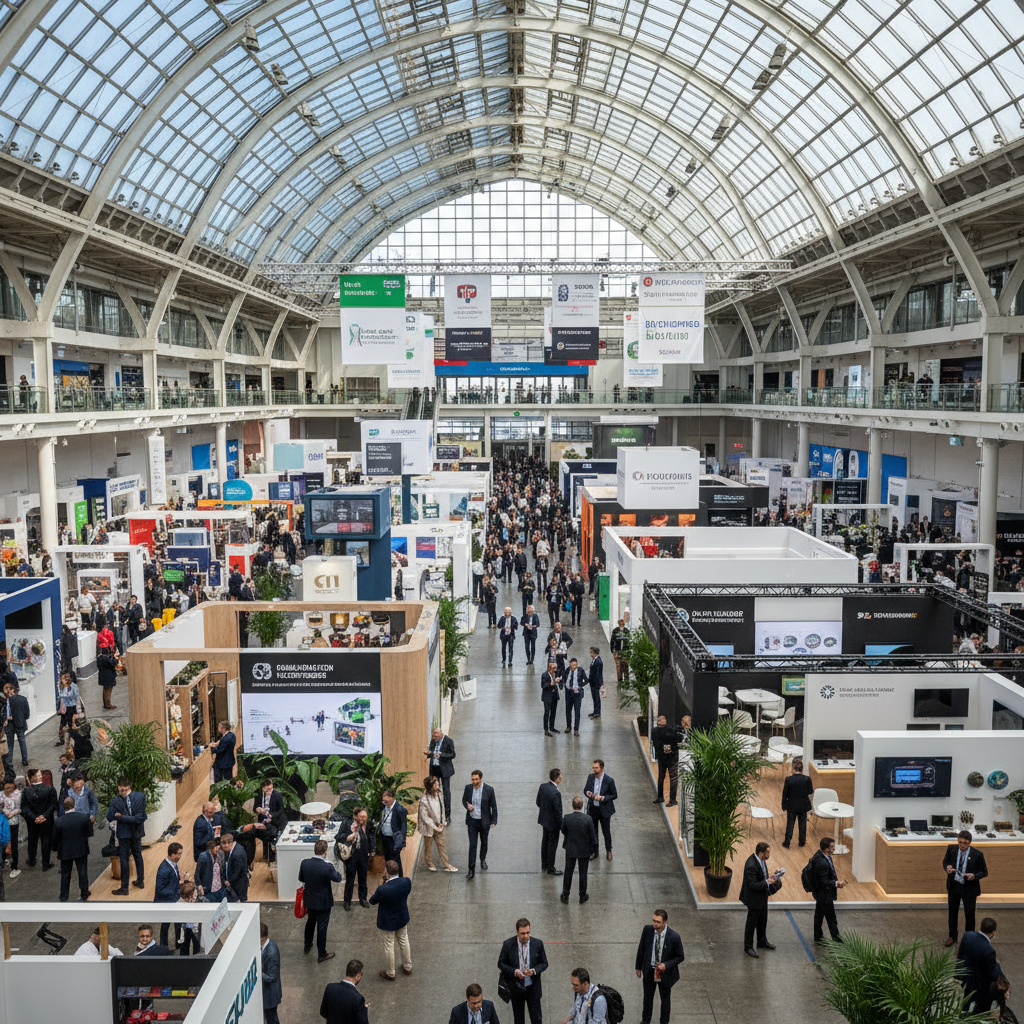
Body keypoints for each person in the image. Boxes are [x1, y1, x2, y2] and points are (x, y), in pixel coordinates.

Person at [634, 909, 685, 1024]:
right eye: (654, 920)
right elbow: (642, 948)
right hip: (649, 971)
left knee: (665, 1000)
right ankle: (645, 1021)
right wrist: (638, 966)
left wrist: (666, 965)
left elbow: (680, 956)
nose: (655, 924)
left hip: (665, 974)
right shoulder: (647, 930)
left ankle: (664, 1022)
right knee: (647, 999)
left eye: (658, 922)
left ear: (665, 922)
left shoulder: (674, 937)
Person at [299, 838, 344, 962]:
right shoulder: (327, 866)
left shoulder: (305, 863)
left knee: (310, 922)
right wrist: (333, 867)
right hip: (324, 902)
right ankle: (321, 953)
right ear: (325, 851)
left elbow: (301, 878)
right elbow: (338, 878)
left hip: (310, 899)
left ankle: (307, 945)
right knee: (322, 927)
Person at [498, 918, 548, 1024]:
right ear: (517, 932)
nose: (525, 936)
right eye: (522, 933)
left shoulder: (538, 944)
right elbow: (500, 963)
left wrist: (534, 970)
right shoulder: (508, 944)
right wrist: (514, 971)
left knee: (537, 1018)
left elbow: (544, 963)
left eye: (528, 932)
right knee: (518, 1019)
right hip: (516, 988)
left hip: (533, 988)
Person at [943, 829, 988, 946]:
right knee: (952, 913)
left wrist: (974, 876)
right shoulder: (951, 849)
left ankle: (969, 939)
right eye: (960, 842)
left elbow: (984, 872)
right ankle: (952, 936)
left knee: (970, 914)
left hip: (969, 889)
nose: (962, 845)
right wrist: (947, 868)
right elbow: (945, 862)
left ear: (970, 843)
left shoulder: (977, 854)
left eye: (965, 843)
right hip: (954, 886)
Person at [370, 859, 413, 980]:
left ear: (386, 872)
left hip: (387, 921)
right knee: (404, 940)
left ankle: (390, 972)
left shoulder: (383, 889)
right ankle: (407, 966)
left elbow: (372, 901)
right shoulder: (406, 881)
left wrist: (384, 883)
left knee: (389, 945)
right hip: (401, 916)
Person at [739, 841, 783, 957]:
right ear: (761, 853)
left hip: (762, 896)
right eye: (767, 853)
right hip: (754, 898)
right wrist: (767, 882)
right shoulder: (751, 865)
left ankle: (762, 941)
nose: (769, 855)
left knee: (763, 920)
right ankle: (748, 946)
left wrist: (771, 878)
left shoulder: (761, 861)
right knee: (752, 923)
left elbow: (762, 876)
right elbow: (752, 884)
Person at [107, 777, 146, 894]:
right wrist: (131, 818)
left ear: (129, 787)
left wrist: (121, 817)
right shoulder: (115, 800)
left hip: (132, 832)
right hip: (126, 834)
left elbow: (139, 818)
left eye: (125, 790)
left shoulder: (140, 797)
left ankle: (137, 882)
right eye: (120, 790)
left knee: (136, 855)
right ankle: (127, 886)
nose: (122, 793)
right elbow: (109, 816)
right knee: (126, 858)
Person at [50, 795, 92, 901]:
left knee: (65, 874)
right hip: (81, 849)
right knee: (82, 872)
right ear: (74, 805)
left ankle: (64, 897)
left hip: (65, 851)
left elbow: (54, 838)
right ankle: (84, 894)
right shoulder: (84, 818)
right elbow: (90, 833)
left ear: (64, 807)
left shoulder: (58, 821)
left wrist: (55, 849)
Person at [417, 775, 458, 872]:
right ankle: (429, 863)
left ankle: (447, 864)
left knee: (442, 845)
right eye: (435, 783)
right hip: (429, 827)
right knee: (428, 846)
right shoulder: (424, 800)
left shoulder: (440, 794)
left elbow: (442, 808)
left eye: (437, 782)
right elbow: (425, 818)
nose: (437, 784)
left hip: (439, 825)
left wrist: (443, 821)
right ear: (430, 786)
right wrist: (435, 826)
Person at [560, 796, 596, 905]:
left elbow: (563, 830)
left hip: (571, 848)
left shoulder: (567, 818)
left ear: (572, 805)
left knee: (568, 872)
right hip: (584, 849)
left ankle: (565, 895)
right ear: (582, 806)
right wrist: (592, 849)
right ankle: (582, 896)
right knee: (583, 873)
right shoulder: (588, 819)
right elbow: (592, 836)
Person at [810, 837, 846, 943]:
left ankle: (818, 937)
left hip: (821, 893)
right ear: (825, 848)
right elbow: (823, 881)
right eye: (831, 847)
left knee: (819, 915)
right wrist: (836, 883)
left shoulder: (822, 856)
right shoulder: (823, 863)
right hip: (825, 894)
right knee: (831, 918)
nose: (833, 849)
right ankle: (837, 940)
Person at [22, 767, 58, 872]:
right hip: (47, 820)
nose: (41, 776)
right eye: (39, 774)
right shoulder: (50, 789)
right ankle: (45, 863)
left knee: (32, 840)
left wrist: (34, 817)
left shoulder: (26, 791)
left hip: (32, 821)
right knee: (46, 840)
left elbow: (24, 808)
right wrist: (44, 816)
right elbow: (53, 805)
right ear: (34, 777)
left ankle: (32, 860)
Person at [464, 769, 498, 880]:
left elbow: (494, 806)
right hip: (472, 821)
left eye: (476, 779)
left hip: (484, 821)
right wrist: (467, 806)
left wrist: (494, 820)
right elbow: (464, 800)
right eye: (473, 779)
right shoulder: (468, 788)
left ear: (481, 778)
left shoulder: (489, 789)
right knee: (472, 845)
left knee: (484, 842)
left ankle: (482, 859)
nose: (474, 781)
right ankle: (471, 869)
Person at [584, 759, 616, 861]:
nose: (594, 769)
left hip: (604, 810)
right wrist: (588, 793)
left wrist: (603, 798)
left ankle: (608, 850)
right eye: (593, 767)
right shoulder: (590, 777)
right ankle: (594, 851)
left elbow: (614, 795)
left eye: (596, 768)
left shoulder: (609, 780)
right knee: (593, 832)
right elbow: (585, 790)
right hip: (593, 809)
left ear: (602, 768)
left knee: (606, 831)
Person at [320, 959, 369, 1024]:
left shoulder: (330, 987)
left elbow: (323, 1012)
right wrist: (363, 1009)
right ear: (358, 976)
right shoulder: (358, 999)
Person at [342, 806, 373, 910]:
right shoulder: (347, 823)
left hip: (363, 855)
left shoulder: (368, 824)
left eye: (365, 817)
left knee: (363, 879)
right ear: (355, 816)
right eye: (361, 817)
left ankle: (363, 899)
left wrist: (372, 849)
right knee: (350, 879)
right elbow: (339, 836)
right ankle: (347, 901)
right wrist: (348, 837)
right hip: (351, 855)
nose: (363, 819)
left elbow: (371, 836)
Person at [155, 841, 184, 948]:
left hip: (173, 900)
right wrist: (177, 892)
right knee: (166, 925)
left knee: (177, 923)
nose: (180, 856)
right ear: (172, 854)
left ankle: (178, 942)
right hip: (167, 902)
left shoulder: (173, 864)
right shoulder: (164, 869)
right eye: (178, 854)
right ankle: (164, 946)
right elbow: (160, 889)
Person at [649, 715, 683, 807]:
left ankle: (673, 799)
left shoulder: (671, 730)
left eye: (663, 719)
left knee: (673, 778)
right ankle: (660, 797)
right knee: (661, 777)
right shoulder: (655, 731)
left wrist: (669, 746)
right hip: (662, 758)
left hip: (672, 757)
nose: (662, 720)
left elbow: (677, 739)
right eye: (660, 719)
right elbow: (656, 742)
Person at [780, 759, 814, 849]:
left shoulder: (788, 779)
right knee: (802, 824)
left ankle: (787, 842)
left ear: (793, 768)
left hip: (792, 805)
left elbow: (785, 794)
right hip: (803, 805)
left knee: (790, 824)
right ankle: (802, 842)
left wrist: (784, 805)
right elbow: (810, 791)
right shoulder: (807, 779)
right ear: (802, 769)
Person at [425, 727, 456, 823]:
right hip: (434, 769)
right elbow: (431, 752)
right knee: (434, 791)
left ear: (441, 734)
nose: (434, 737)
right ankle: (436, 814)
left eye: (436, 736)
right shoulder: (433, 741)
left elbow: (452, 755)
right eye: (433, 736)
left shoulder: (448, 741)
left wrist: (441, 755)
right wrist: (428, 753)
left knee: (446, 792)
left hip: (445, 770)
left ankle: (447, 815)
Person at [253, 778, 287, 862]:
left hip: (276, 820)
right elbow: (255, 808)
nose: (268, 791)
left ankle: (275, 854)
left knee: (273, 832)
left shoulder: (277, 795)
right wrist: (258, 809)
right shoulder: (259, 797)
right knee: (264, 833)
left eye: (270, 789)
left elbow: (281, 810)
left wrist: (271, 816)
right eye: (266, 790)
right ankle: (267, 856)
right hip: (264, 820)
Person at [536, 768, 563, 875]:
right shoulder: (556, 793)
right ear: (558, 778)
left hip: (544, 820)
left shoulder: (543, 787)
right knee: (552, 844)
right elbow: (557, 812)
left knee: (545, 841)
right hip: (553, 823)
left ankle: (544, 864)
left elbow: (538, 802)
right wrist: (561, 825)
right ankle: (551, 868)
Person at [379, 789, 407, 877]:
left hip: (394, 839)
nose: (385, 803)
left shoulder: (400, 810)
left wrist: (401, 843)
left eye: (386, 801)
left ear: (392, 798)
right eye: (384, 801)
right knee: (387, 859)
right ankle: (390, 877)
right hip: (385, 838)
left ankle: (399, 878)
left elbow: (403, 828)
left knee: (396, 860)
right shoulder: (384, 807)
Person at [3, 681, 30, 774]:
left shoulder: (5, 700)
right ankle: (24, 760)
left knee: (10, 743)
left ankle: (9, 762)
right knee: (22, 741)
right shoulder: (23, 699)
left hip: (10, 724)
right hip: (20, 723)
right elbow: (27, 714)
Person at [261, 922, 282, 1024]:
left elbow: (272, 977)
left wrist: (257, 973)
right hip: (267, 993)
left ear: (263, 937)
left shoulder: (271, 953)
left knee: (272, 1019)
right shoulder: (265, 946)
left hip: (270, 996)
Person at [220, 829, 248, 901]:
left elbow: (237, 872)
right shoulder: (237, 848)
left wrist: (228, 881)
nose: (222, 846)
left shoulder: (237, 854)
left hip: (238, 886)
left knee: (240, 903)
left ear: (228, 843)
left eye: (222, 844)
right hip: (237, 884)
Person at [563, 657, 587, 735]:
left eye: (575, 665)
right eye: (572, 665)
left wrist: (580, 686)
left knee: (577, 711)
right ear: (570, 665)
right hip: (569, 693)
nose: (574, 667)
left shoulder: (580, 670)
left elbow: (586, 680)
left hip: (577, 694)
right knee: (568, 710)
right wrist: (563, 685)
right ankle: (568, 726)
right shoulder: (567, 670)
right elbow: (563, 678)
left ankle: (576, 729)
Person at [1, 780, 21, 877]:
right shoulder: (1, 795)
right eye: (7, 788)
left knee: (14, 844)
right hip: (3, 823)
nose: (9, 790)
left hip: (13, 823)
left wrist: (10, 813)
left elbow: (19, 808)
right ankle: (3, 861)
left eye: (11, 788)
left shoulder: (18, 795)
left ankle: (14, 866)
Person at [541, 659, 562, 737]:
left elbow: (560, 684)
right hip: (547, 697)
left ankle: (552, 727)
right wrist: (550, 684)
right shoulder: (544, 675)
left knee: (553, 712)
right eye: (554, 669)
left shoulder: (556, 674)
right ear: (549, 669)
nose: (555, 670)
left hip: (554, 696)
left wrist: (559, 682)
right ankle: (546, 729)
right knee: (547, 712)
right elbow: (543, 685)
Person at [97, 642, 119, 710]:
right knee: (109, 690)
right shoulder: (107, 659)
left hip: (103, 676)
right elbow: (114, 662)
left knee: (105, 690)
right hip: (108, 676)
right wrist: (116, 658)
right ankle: (108, 704)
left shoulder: (100, 658)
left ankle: (105, 703)